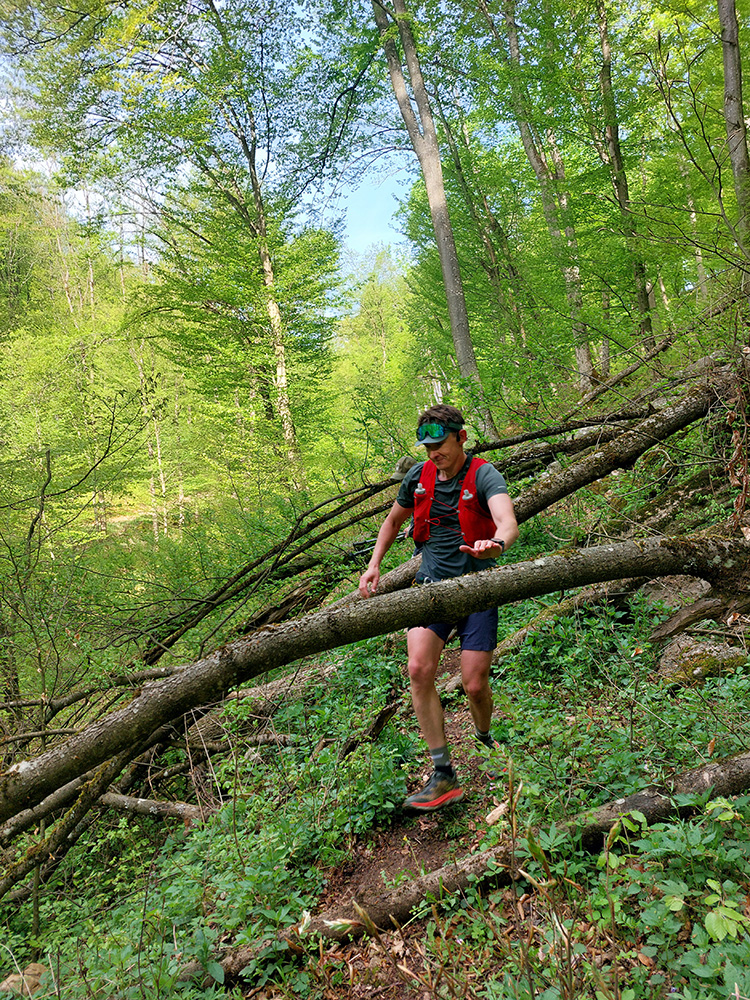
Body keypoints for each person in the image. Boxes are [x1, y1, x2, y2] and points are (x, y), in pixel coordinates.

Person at [359, 404, 519, 812]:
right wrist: (374, 564)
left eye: (441, 445)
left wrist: (496, 544)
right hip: (430, 590)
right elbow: (392, 522)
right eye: (428, 447)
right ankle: (443, 773)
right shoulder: (418, 477)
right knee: (418, 669)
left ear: (461, 437)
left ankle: (484, 736)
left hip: (478, 590)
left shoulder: (484, 474)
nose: (434, 454)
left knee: (474, 685)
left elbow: (507, 521)